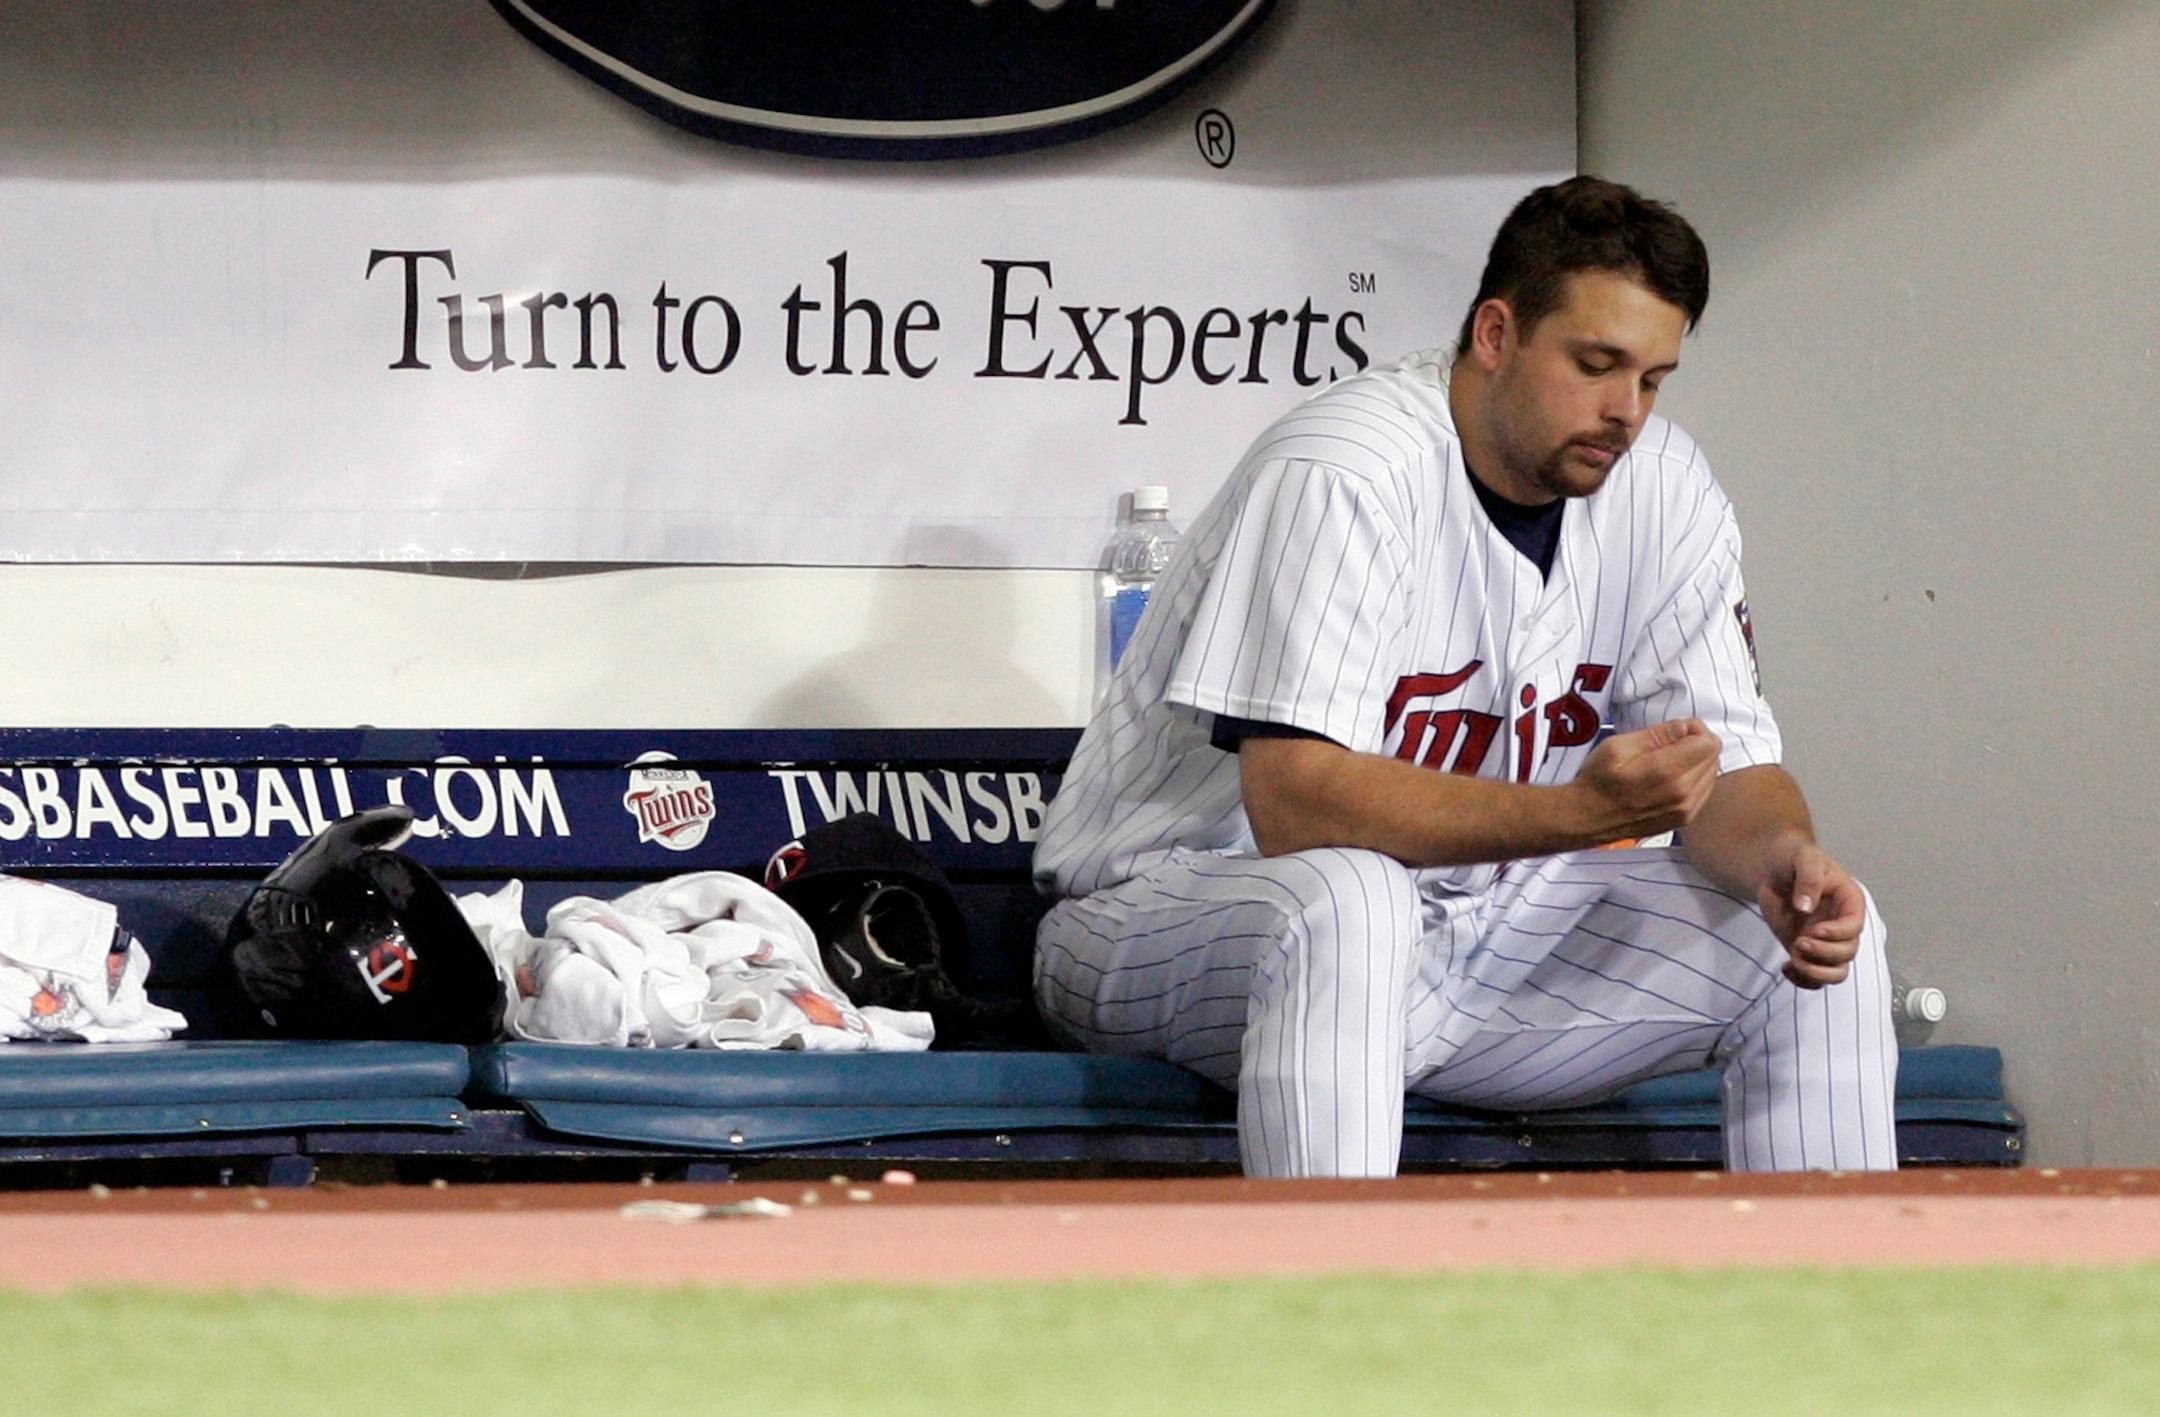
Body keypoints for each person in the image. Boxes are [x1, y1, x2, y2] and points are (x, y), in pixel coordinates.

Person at [1031, 176, 1896, 1178]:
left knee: (1820, 943)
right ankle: (1334, 1284)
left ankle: (1838, 1282)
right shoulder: (1347, 469)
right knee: (1351, 900)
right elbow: (1294, 805)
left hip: (1465, 932)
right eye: (1595, 365)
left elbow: (1732, 769)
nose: (1626, 411)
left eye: (1653, 378)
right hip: (1165, 915)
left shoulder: (1665, 488)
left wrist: (1783, 858)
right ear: (1496, 334)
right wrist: (1575, 814)